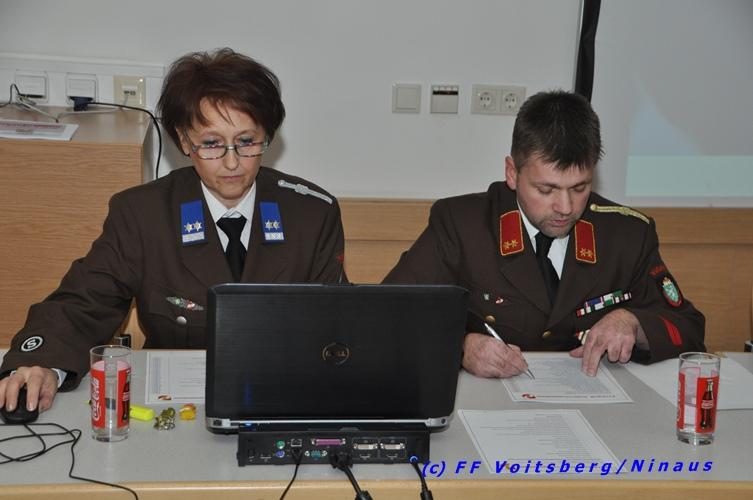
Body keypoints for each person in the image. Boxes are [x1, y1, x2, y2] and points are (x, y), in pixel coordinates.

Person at [0, 48, 346, 413]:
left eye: (246, 142)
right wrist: (42, 363)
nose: (231, 163)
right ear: (184, 141)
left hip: (282, 400)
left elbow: (336, 324)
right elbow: (85, 301)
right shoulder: (143, 214)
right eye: (211, 144)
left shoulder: (311, 214)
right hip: (173, 408)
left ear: (267, 137)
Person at [383, 90, 705, 378]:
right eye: (546, 189)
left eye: (579, 188)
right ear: (512, 173)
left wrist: (633, 323)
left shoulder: (627, 234)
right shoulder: (463, 226)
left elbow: (689, 329)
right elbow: (388, 314)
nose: (565, 207)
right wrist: (461, 348)